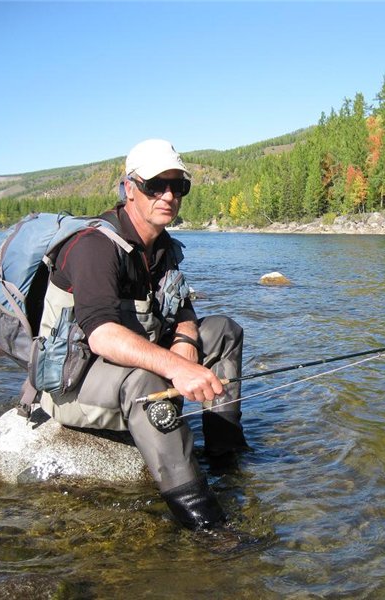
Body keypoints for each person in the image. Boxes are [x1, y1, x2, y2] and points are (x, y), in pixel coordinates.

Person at [37, 138, 249, 530]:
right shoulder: (94, 247)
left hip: (127, 367)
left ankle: (225, 457)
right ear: (129, 188)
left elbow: (183, 306)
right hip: (74, 385)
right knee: (148, 381)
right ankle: (205, 522)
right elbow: (100, 335)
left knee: (224, 332)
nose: (168, 195)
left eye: (178, 186)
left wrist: (185, 343)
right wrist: (176, 368)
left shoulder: (163, 246)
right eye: (156, 185)